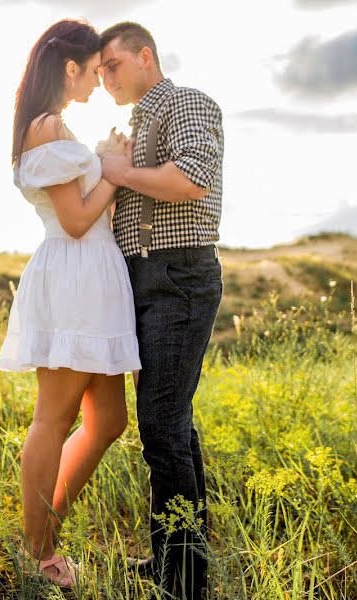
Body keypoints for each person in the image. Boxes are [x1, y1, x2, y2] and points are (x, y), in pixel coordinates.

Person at [0, 18, 142, 590]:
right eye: (96, 67)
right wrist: (113, 170)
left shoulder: (56, 127)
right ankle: (40, 550)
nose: (101, 78)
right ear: (70, 67)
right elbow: (78, 220)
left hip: (94, 277)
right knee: (53, 417)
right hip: (76, 274)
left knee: (108, 420)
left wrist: (105, 163)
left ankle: (44, 522)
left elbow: (86, 210)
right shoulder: (48, 125)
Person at [99, 21, 225, 600]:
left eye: (113, 66)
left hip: (178, 275)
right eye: (98, 71)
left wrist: (119, 172)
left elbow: (192, 178)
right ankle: (179, 559)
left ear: (145, 56)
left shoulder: (187, 103)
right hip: (144, 279)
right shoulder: (132, 124)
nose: (104, 79)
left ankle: (185, 578)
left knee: (161, 424)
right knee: (172, 420)